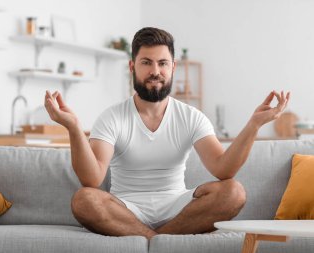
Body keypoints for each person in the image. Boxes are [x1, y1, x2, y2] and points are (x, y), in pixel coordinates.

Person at [44, 27, 290, 240]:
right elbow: (92, 179)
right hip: (125, 208)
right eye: (146, 62)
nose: (155, 71)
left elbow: (223, 170)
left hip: (178, 206)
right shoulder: (112, 117)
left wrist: (254, 125)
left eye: (162, 63)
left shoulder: (191, 116)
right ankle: (161, 241)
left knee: (234, 192)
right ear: (132, 66)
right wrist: (73, 127)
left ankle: (152, 240)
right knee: (84, 199)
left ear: (173, 67)